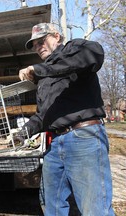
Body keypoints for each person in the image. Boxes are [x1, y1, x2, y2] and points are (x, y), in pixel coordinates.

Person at [18, 23, 115, 216]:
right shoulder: (44, 78)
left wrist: (39, 70)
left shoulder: (76, 49)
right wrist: (22, 133)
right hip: (54, 145)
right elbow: (43, 115)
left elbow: (95, 54)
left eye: (41, 41)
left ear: (57, 36)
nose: (38, 47)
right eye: (35, 45)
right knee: (52, 206)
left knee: (94, 208)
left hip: (84, 138)